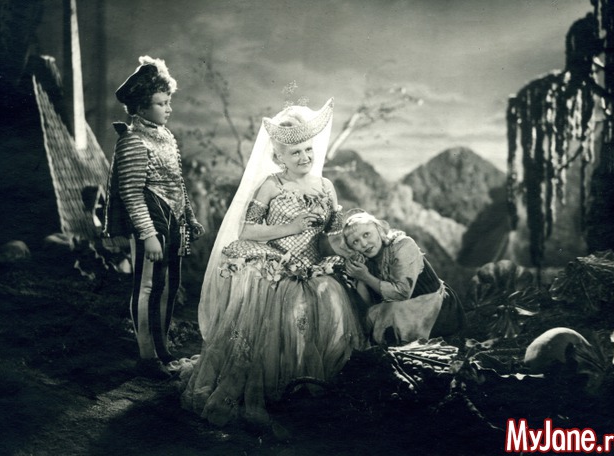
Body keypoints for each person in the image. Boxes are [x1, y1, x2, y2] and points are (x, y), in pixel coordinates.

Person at [178, 98, 366, 428]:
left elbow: (332, 233)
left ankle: (311, 388)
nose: (305, 157)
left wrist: (346, 244)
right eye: (295, 153)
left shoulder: (326, 186)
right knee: (287, 320)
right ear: (279, 157)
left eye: (308, 150)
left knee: (333, 308)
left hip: (316, 270)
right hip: (278, 270)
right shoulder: (271, 185)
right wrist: (291, 227)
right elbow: (247, 230)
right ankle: (276, 388)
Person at [103, 56, 204, 379]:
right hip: (151, 219)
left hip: (173, 219)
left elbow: (177, 183)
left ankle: (162, 350)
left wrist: (189, 217)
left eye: (168, 102)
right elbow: (131, 192)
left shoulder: (166, 137)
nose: (168, 109)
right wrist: (147, 234)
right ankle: (147, 357)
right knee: (148, 286)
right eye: (161, 103)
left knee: (170, 285)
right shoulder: (133, 140)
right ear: (140, 108)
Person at [340, 210, 465, 346]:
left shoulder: (403, 246)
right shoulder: (367, 259)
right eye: (355, 242)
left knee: (386, 322)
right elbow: (367, 306)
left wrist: (365, 277)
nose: (364, 244)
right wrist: (359, 275)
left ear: (378, 230)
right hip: (402, 310)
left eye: (366, 234)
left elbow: (401, 293)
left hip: (435, 308)